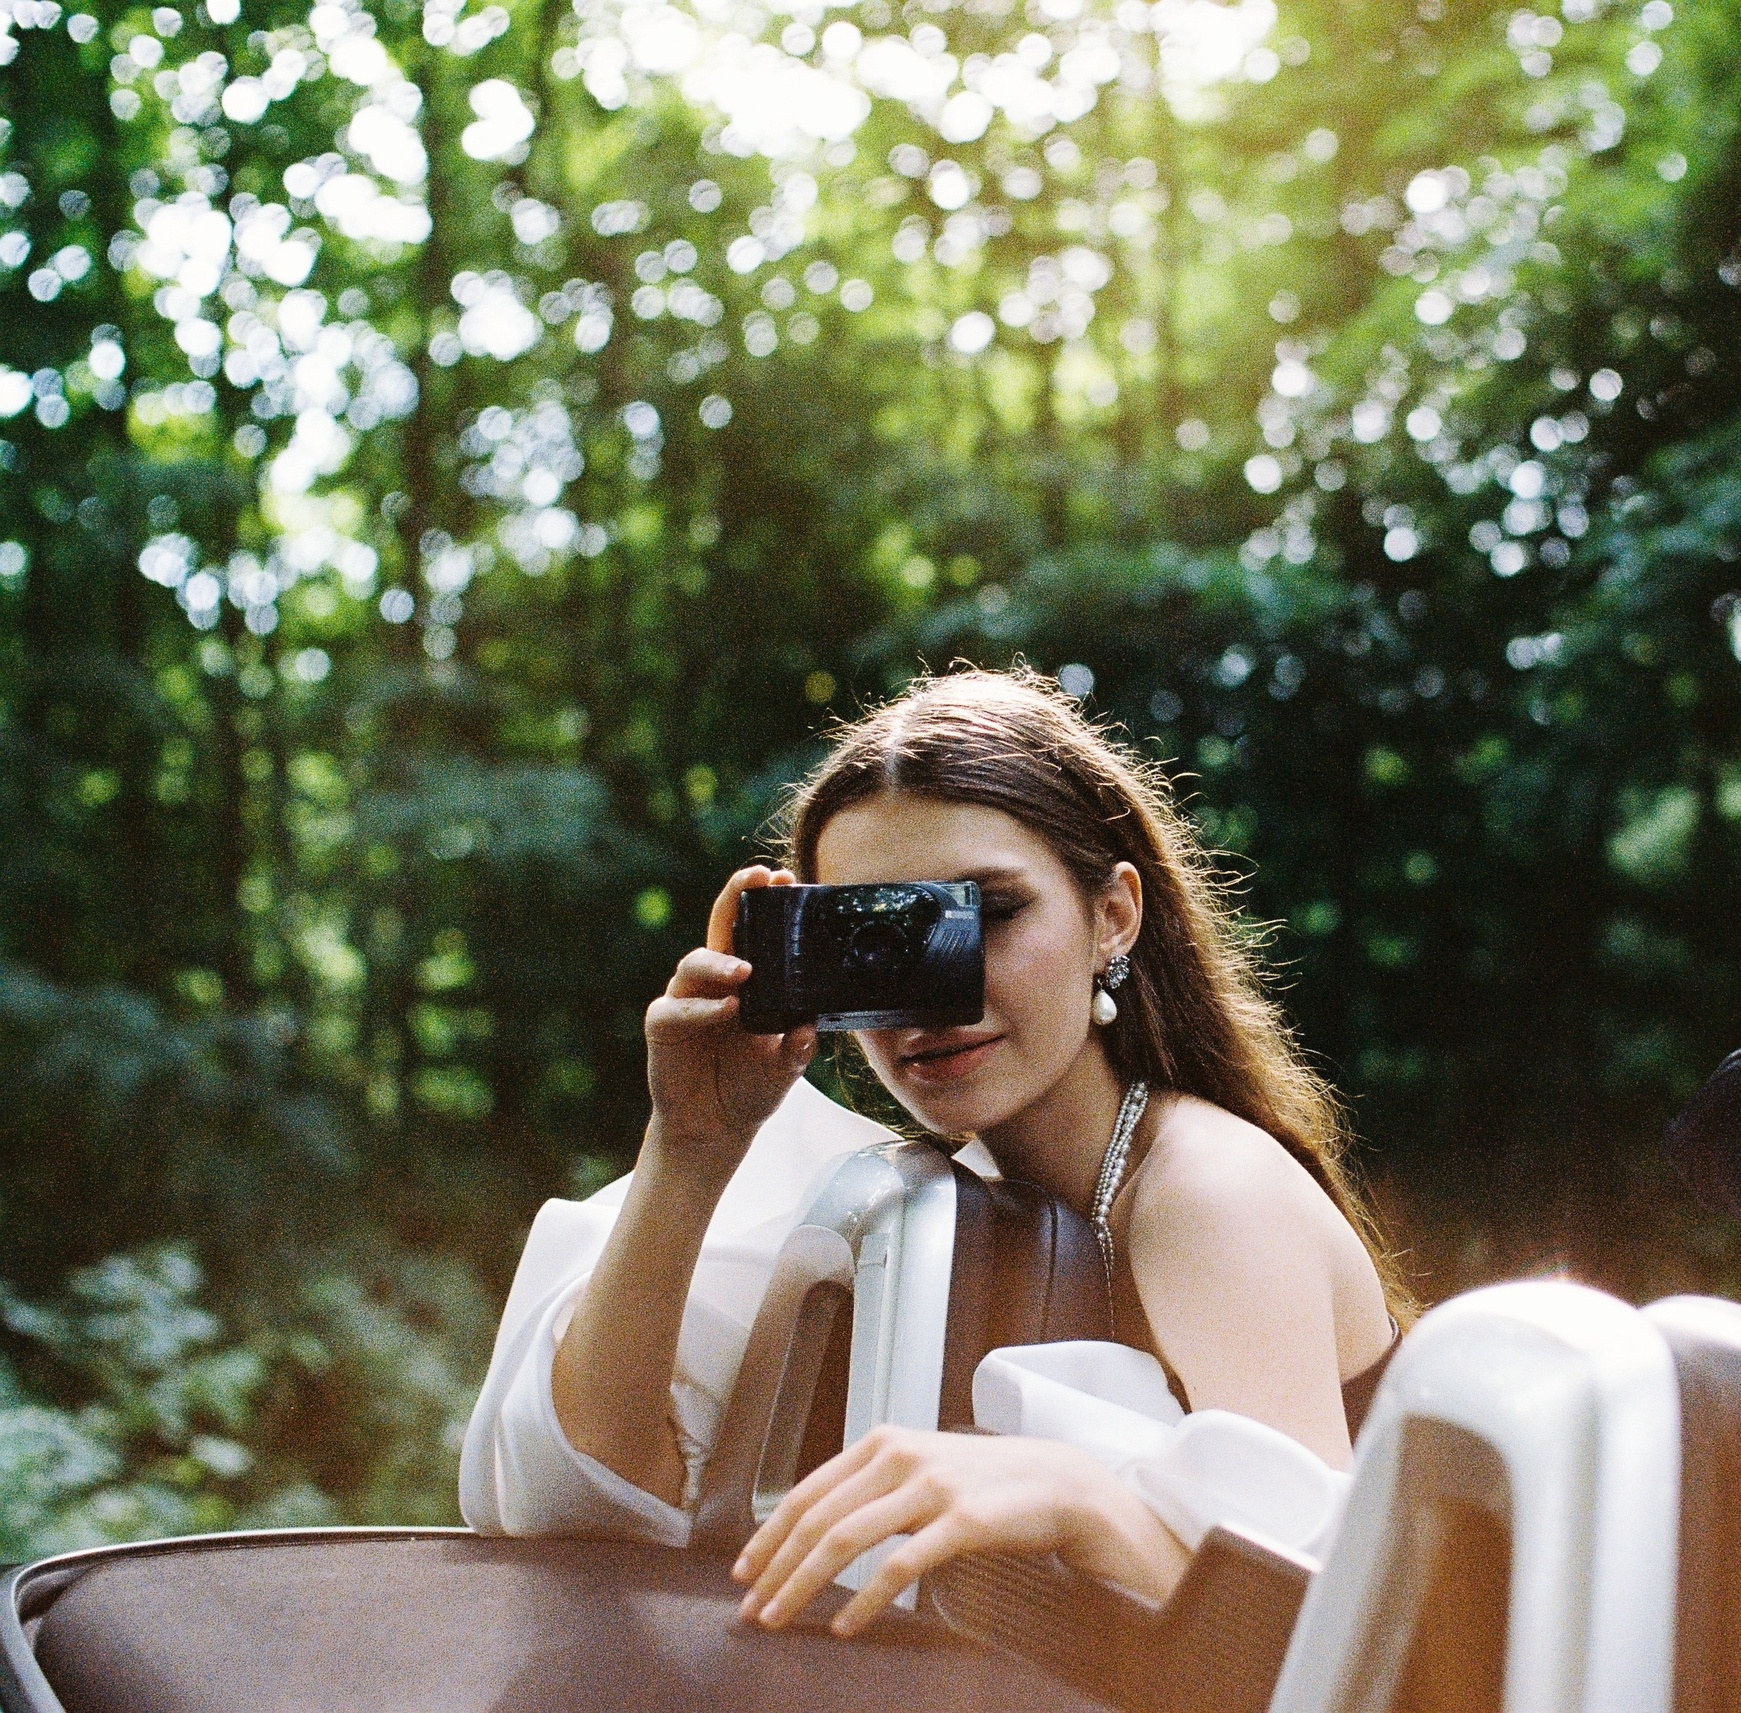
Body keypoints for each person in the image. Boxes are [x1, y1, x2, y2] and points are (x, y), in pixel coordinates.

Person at [462, 666, 1406, 1639]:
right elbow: (595, 1494)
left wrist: (1082, 1500)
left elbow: (1329, 1642)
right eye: (876, 936)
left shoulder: (1206, 1193)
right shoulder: (916, 1202)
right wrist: (692, 1148)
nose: (933, 991)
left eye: (989, 912)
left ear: (1113, 915)